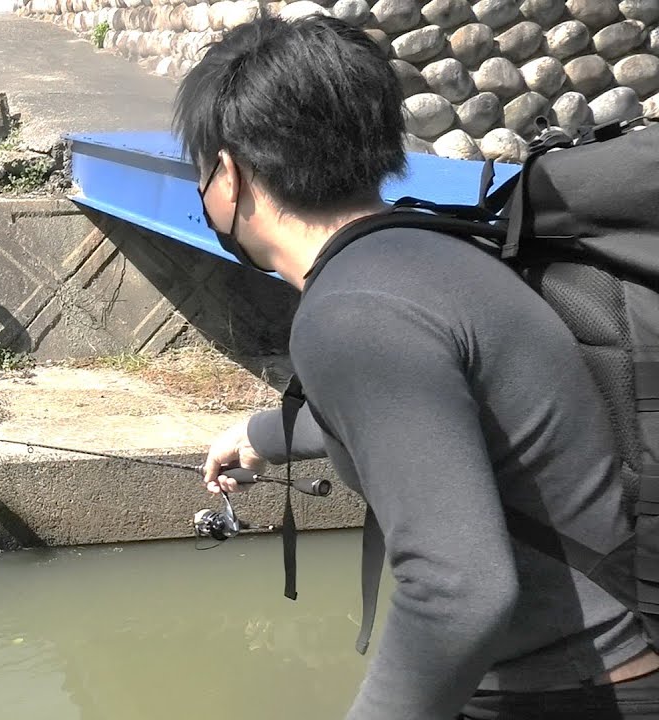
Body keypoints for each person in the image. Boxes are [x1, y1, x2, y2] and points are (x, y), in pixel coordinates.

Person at [175, 14, 659, 720]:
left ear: (227, 176)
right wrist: (264, 436)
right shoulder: (434, 254)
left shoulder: (352, 312)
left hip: (557, 696)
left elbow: (456, 589)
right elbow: (438, 402)